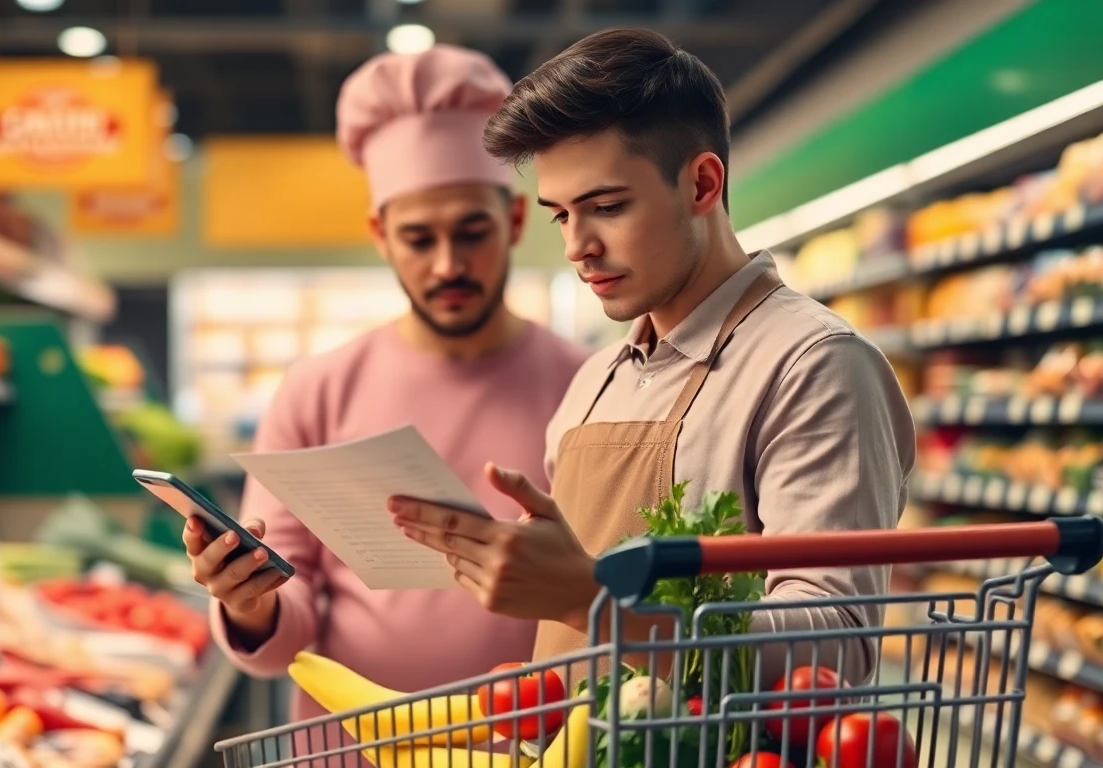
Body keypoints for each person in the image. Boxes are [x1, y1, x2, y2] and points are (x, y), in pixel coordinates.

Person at [388, 28, 917, 689]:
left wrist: (589, 602)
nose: (577, 246)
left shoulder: (814, 366)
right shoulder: (594, 382)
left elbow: (834, 646)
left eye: (606, 207)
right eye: (560, 216)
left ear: (701, 183)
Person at [184, 44, 590, 730]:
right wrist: (250, 602)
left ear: (516, 222)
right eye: (417, 238)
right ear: (380, 235)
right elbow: (288, 621)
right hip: (347, 748)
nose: (448, 264)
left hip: (539, 745)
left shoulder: (590, 385)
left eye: (472, 232)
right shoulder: (317, 392)